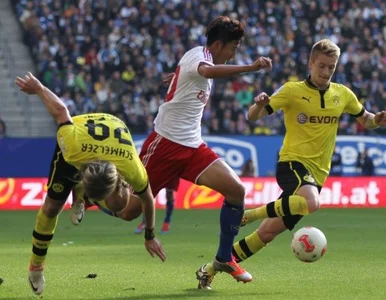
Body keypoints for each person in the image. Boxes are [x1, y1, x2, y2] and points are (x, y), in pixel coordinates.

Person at [201, 38, 386, 288]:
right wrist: (258, 106)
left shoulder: (342, 95)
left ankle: (210, 269)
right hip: (292, 163)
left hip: (317, 175)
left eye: (331, 67)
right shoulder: (292, 91)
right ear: (310, 63)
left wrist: (378, 120)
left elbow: (366, 119)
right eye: (321, 65)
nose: (325, 71)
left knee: (267, 234)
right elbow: (252, 116)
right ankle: (248, 215)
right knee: (312, 203)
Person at [136, 15, 271, 290]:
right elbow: (206, 71)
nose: (234, 54)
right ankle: (88, 189)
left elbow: (193, 73)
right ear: (219, 44)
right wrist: (251, 67)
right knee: (129, 210)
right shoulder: (200, 55)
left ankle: (223, 258)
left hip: (192, 147)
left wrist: (175, 77)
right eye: (233, 48)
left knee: (237, 191)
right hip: (165, 144)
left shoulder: (197, 58)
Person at [15, 72, 166, 296]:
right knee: (51, 208)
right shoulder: (73, 148)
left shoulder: (132, 167)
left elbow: (147, 198)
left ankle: (81, 200)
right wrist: (38, 88)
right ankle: (36, 267)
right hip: (80, 132)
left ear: (121, 183)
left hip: (111, 134)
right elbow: (61, 111)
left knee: (119, 207)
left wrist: (150, 235)